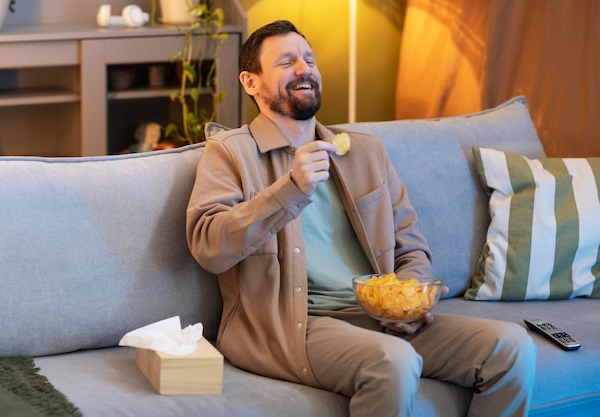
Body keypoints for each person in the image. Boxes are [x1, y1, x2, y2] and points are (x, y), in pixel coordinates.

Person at [186, 20, 537, 417]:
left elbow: (412, 247)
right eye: (287, 62)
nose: (304, 70)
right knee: (393, 362)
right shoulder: (231, 153)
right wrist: (290, 190)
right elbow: (208, 245)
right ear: (251, 82)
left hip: (380, 318)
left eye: (309, 60)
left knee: (512, 348)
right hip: (295, 325)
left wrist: (408, 303)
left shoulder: (364, 153)